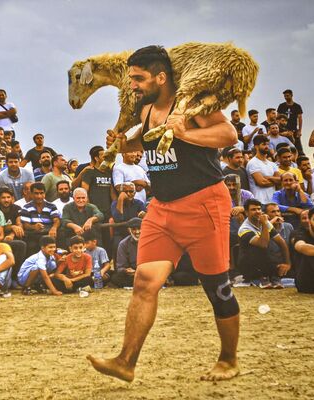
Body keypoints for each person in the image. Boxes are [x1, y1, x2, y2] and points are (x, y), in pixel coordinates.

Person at [88, 45, 240, 382]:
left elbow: (228, 134)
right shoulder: (144, 109)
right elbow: (145, 141)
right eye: (131, 80)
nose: (133, 86)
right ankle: (125, 362)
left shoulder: (189, 105)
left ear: (161, 77)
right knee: (144, 281)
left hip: (204, 205)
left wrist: (186, 131)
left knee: (217, 287)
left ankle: (229, 360)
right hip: (161, 208)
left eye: (139, 79)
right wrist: (121, 144)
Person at [238, 199, 290, 288]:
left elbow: (281, 242)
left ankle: (274, 276)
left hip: (265, 261)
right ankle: (263, 277)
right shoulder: (244, 228)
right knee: (259, 245)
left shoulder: (265, 222)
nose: (257, 212)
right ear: (246, 212)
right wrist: (264, 224)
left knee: (275, 244)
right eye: (253, 210)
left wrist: (287, 263)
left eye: (259, 209)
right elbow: (263, 244)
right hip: (249, 264)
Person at [20, 182, 60, 256]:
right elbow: (25, 225)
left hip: (48, 233)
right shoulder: (26, 207)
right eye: (36, 193)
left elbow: (56, 220)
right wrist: (34, 227)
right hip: (34, 234)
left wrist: (54, 228)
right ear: (31, 194)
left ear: (45, 194)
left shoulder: (51, 206)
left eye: (41, 193)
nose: (39, 196)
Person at [111, 182, 146, 252]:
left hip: (136, 232)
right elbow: (117, 219)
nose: (128, 194)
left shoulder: (139, 203)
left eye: (131, 191)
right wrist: (120, 199)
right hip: (120, 234)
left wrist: (144, 215)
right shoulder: (115, 203)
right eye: (125, 192)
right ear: (121, 192)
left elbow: (144, 218)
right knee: (117, 245)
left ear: (135, 193)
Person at [246, 135, 280, 203]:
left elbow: (279, 181)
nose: (267, 147)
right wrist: (274, 180)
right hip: (259, 201)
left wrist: (268, 177)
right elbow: (262, 182)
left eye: (268, 144)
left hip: (272, 201)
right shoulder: (253, 163)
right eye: (264, 144)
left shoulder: (272, 164)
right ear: (256, 146)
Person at [110, 217, 141, 288]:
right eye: (134, 229)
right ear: (129, 230)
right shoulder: (123, 244)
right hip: (132, 275)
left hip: (148, 271)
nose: (137, 232)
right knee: (115, 278)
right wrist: (126, 270)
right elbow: (120, 267)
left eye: (139, 228)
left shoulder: (150, 241)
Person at [277, 89, 304, 153]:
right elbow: (278, 118)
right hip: (283, 130)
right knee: (283, 147)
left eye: (287, 95)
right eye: (285, 96)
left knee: (298, 148)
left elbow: (300, 118)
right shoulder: (281, 106)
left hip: (293, 129)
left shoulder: (297, 106)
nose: (286, 97)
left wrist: (299, 131)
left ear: (291, 95)